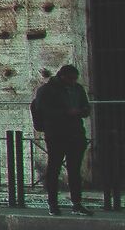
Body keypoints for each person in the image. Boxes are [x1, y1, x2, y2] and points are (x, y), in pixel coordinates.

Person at [30, 63, 92, 214]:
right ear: (62, 76)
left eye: (75, 79)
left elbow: (86, 107)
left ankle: (77, 203)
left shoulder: (77, 89)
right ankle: (53, 204)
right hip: (56, 134)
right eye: (71, 79)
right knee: (54, 169)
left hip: (76, 133)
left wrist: (80, 111)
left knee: (75, 170)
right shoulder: (46, 90)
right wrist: (66, 112)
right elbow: (43, 110)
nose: (73, 82)